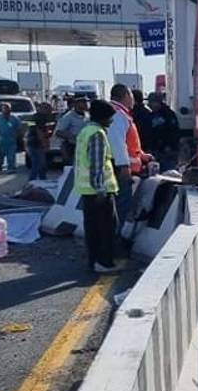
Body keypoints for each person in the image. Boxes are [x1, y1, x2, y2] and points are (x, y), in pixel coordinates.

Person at [77, 101, 121, 274]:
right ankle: (104, 262)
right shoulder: (97, 134)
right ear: (103, 117)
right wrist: (100, 189)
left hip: (87, 190)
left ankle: (94, 261)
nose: (111, 121)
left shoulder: (85, 131)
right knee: (107, 228)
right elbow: (97, 164)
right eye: (110, 117)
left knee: (93, 228)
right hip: (99, 192)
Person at [107, 84, 150, 224]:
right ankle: (116, 238)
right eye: (131, 96)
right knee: (121, 206)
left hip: (119, 165)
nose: (133, 100)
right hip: (120, 168)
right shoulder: (118, 115)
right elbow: (117, 143)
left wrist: (141, 154)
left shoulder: (118, 113)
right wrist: (124, 166)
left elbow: (127, 141)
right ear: (125, 96)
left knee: (119, 205)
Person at [144, 93, 181, 170]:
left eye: (152, 102)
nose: (150, 104)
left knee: (169, 172)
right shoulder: (150, 114)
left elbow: (174, 132)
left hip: (167, 151)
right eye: (149, 102)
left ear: (158, 102)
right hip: (155, 150)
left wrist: (169, 146)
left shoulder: (168, 114)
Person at [54, 95, 90, 165]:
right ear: (76, 103)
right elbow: (58, 132)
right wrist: (73, 136)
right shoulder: (68, 117)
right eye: (83, 102)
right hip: (73, 147)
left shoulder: (87, 115)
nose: (86, 104)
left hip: (86, 147)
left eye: (86, 102)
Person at [26, 102, 54, 180]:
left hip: (33, 143)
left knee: (41, 164)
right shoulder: (38, 118)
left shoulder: (36, 117)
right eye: (47, 108)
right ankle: (33, 180)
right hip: (35, 144)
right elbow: (38, 131)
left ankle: (42, 179)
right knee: (38, 164)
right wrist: (45, 144)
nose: (49, 111)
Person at [0, 103, 22, 173]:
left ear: (10, 109)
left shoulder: (14, 118)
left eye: (8, 108)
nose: (6, 109)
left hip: (11, 140)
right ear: (1, 109)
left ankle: (11, 167)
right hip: (0, 139)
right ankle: (0, 166)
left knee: (11, 155)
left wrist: (19, 137)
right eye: (4, 108)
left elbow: (19, 129)